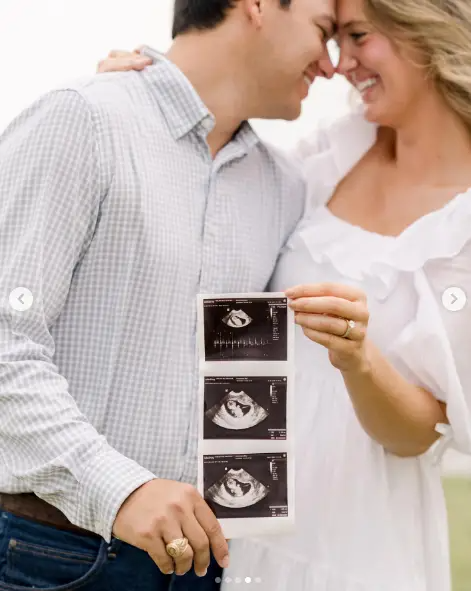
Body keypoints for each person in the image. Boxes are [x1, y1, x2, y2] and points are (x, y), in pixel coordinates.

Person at [101, 0, 471, 589]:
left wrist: (358, 359)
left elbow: (421, 435)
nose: (340, 63)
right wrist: (143, 100)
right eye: (333, 36)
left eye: (357, 36)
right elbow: (210, 184)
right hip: (234, 517)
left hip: (354, 536)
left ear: (424, 28)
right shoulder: (324, 159)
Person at [0, 1, 337, 590]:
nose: (330, 66)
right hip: (51, 556)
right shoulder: (82, 118)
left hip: (203, 566)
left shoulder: (283, 187)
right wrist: (121, 489)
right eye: (323, 31)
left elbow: (244, 381)